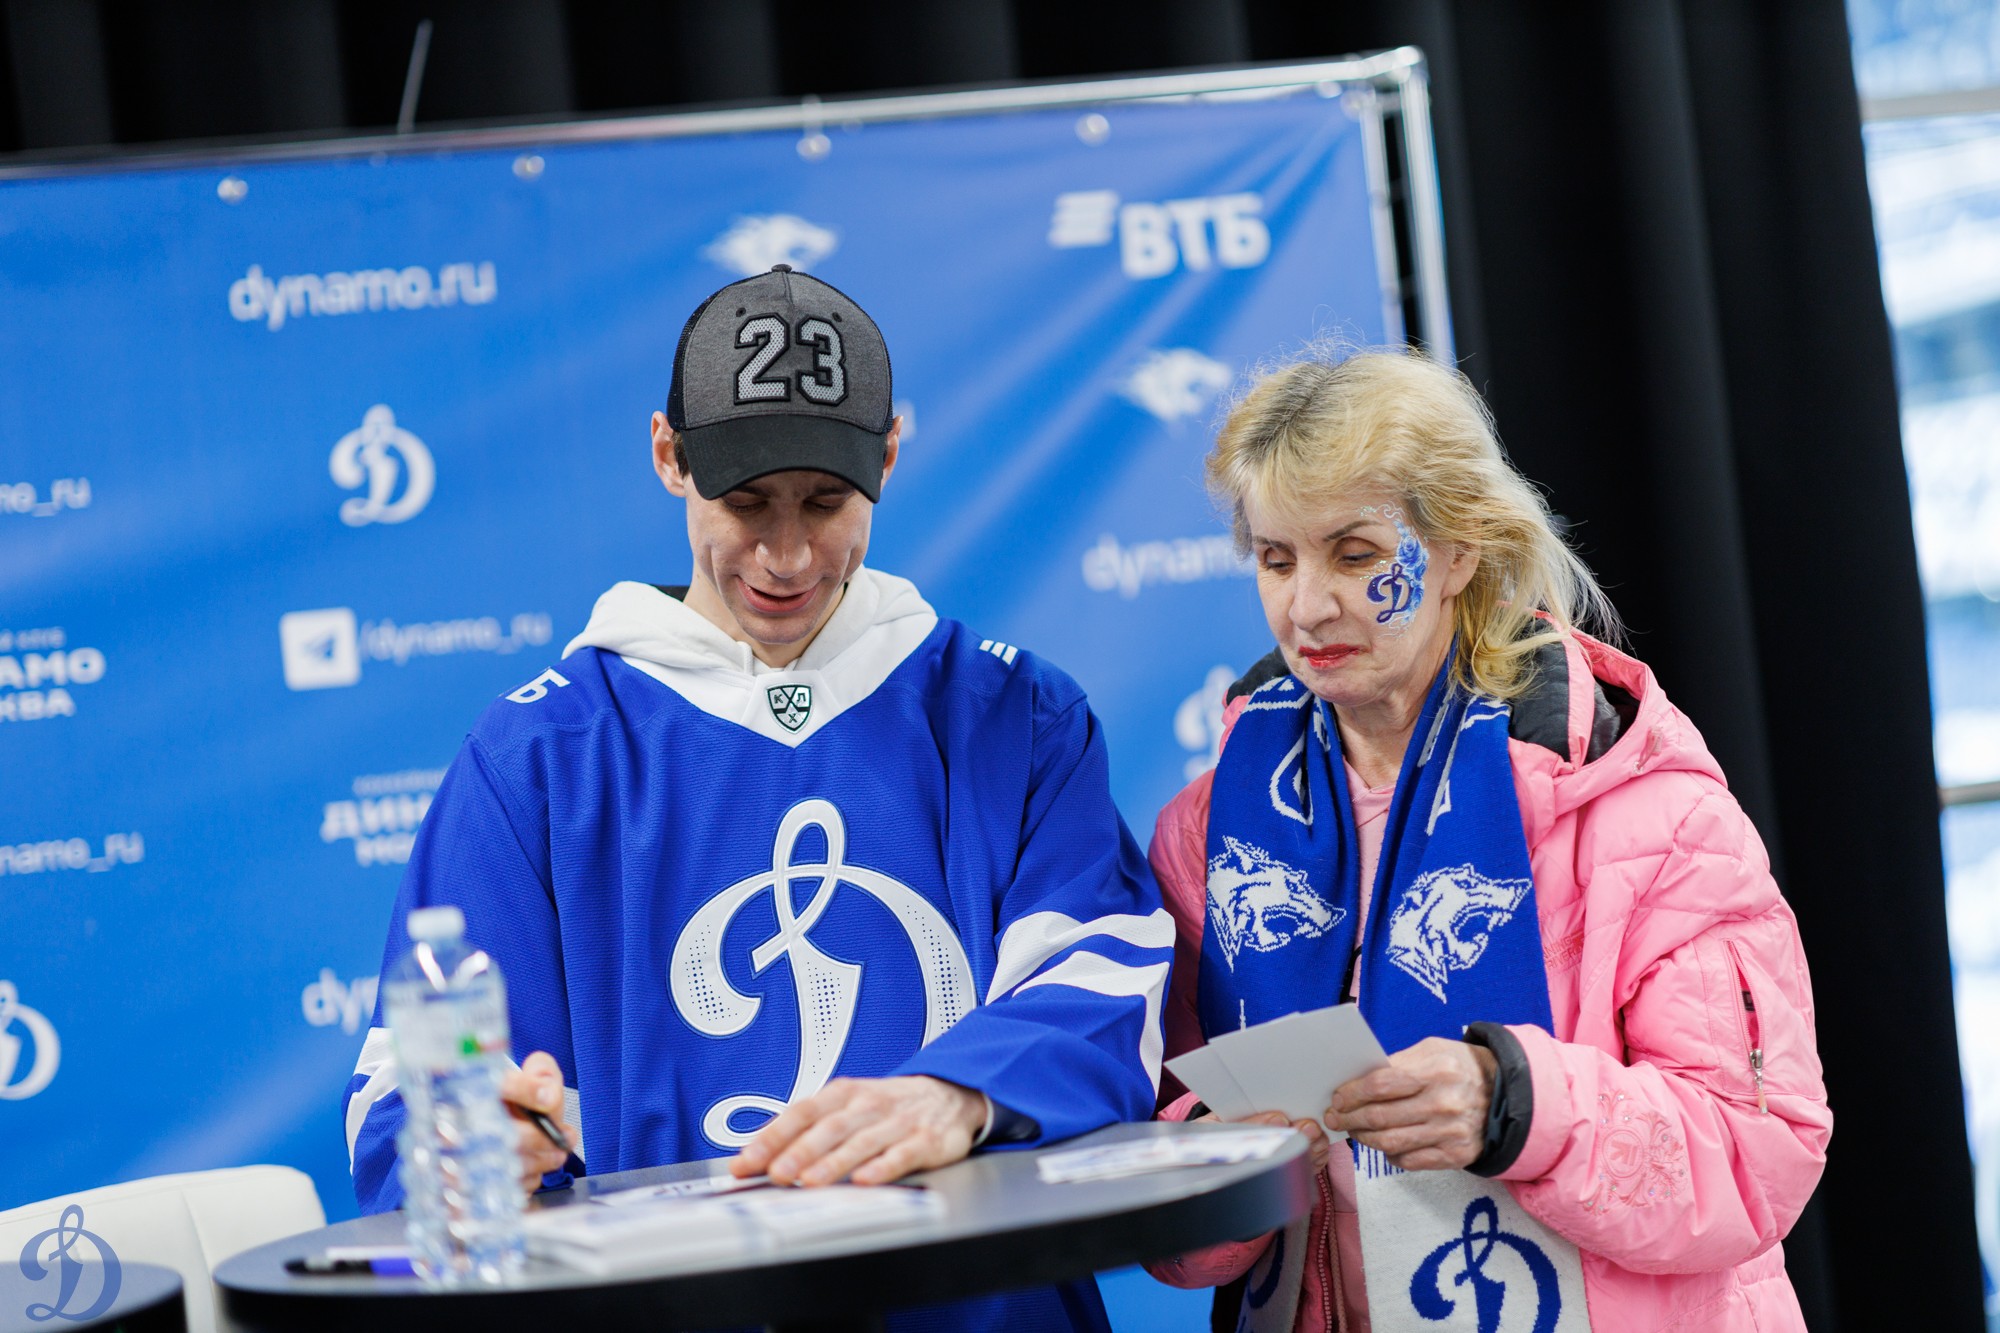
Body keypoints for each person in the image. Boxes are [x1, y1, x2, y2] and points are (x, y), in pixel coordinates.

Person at [342, 265, 1172, 1332]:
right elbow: (405, 1099)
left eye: (825, 503)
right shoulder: (538, 754)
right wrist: (475, 1145)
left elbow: (1108, 979)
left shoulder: (1014, 714)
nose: (786, 555)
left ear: (887, 458)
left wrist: (958, 1095)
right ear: (668, 456)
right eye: (746, 503)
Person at [1144, 348, 1830, 1331]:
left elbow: (1756, 1153)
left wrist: (1517, 1107)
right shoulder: (1205, 832)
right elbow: (1168, 1200)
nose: (1307, 605)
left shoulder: (1643, 807)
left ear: (1459, 550)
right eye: (1276, 558)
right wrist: (1220, 1168)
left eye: (1355, 554)